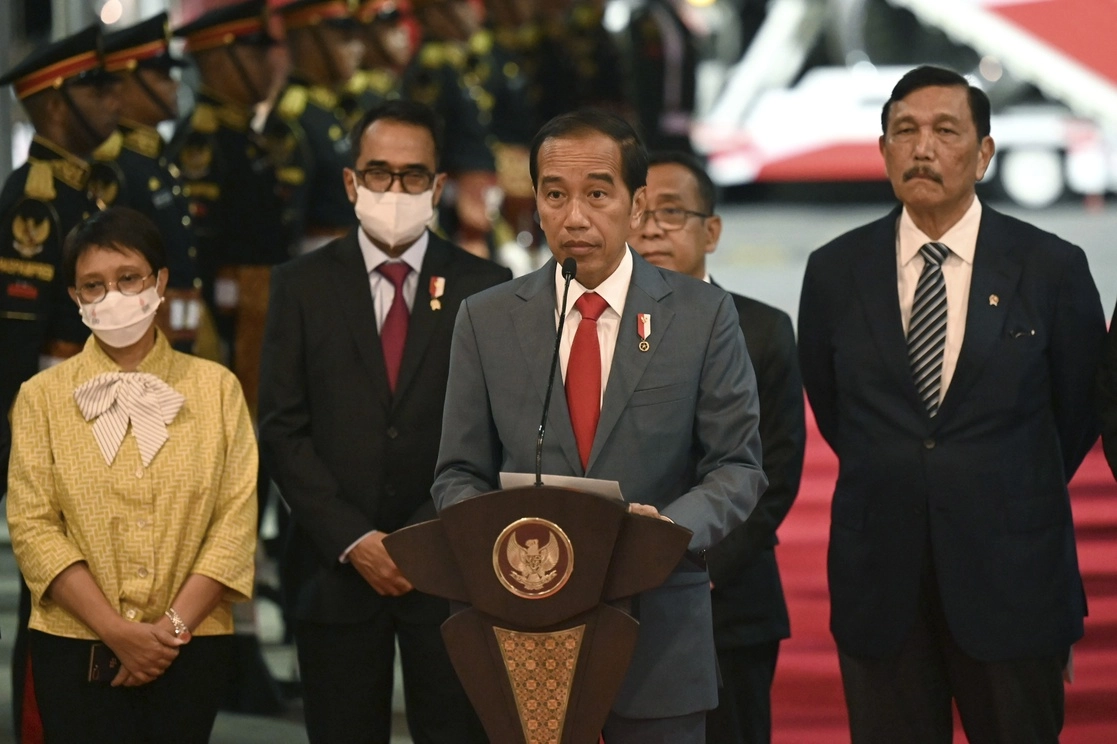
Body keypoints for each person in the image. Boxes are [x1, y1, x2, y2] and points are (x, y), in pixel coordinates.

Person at [431, 109, 767, 743]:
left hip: (657, 629)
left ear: (637, 206)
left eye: (597, 194)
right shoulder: (487, 318)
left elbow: (737, 467)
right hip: (524, 632)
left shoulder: (701, 315)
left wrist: (668, 531)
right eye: (555, 195)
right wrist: (497, 540)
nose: (574, 216)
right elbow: (457, 473)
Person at [797, 65, 1106, 743]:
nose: (922, 148)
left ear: (984, 151)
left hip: (1013, 579)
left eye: (944, 130)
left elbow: (1077, 415)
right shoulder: (833, 271)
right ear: (882, 151)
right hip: (881, 583)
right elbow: (832, 405)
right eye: (903, 131)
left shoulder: (1050, 267)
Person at [258, 99, 509, 743]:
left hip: (450, 571)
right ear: (350, 182)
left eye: (413, 175)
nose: (394, 189)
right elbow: (283, 429)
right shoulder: (300, 286)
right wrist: (354, 539)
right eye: (378, 173)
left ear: (438, 186)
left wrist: (420, 540)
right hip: (332, 567)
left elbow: (495, 430)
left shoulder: (488, 286)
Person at [5, 206, 258, 742]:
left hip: (191, 642)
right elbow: (33, 527)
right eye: (93, 286)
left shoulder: (217, 389)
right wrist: (117, 631)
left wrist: (168, 632)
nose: (112, 296)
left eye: (128, 279)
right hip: (75, 640)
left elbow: (233, 525)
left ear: (160, 281)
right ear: (75, 297)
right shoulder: (41, 397)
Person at [629, 151, 805, 744]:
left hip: (728, 601)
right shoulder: (591, 327)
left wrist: (696, 567)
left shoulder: (762, 329)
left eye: (671, 213)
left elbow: (775, 474)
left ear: (712, 230)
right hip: (616, 599)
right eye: (639, 212)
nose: (651, 228)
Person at [0, 25, 119, 741]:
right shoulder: (36, 203)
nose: (113, 100)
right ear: (51, 104)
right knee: (52, 591)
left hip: (101, 415)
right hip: (57, 425)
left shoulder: (88, 187)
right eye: (95, 89)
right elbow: (19, 341)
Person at [169, 0, 289, 413]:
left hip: (258, 315)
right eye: (256, 52)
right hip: (229, 324)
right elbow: (198, 248)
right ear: (220, 59)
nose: (267, 63)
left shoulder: (242, 135)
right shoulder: (203, 143)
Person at [92, 13, 205, 355]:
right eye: (161, 76)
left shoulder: (154, 159)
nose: (174, 85)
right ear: (125, 83)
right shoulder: (117, 168)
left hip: (180, 335)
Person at [264, 0, 364, 255]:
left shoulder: (329, 108)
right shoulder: (295, 117)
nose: (358, 49)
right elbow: (287, 220)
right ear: (310, 42)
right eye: (344, 39)